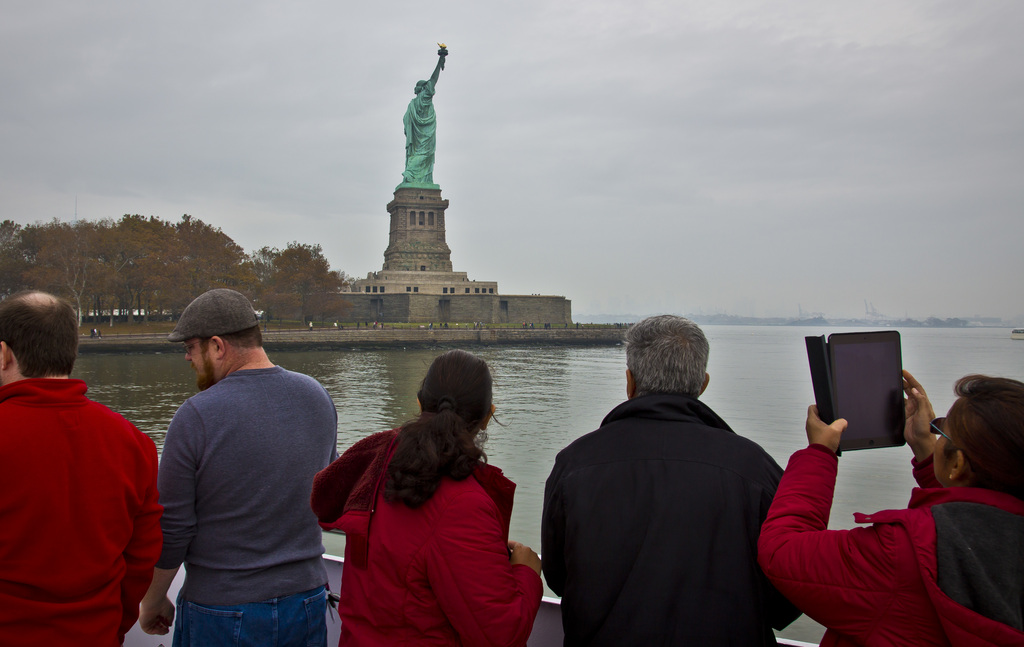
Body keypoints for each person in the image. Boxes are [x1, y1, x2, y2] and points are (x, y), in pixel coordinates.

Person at [541, 315, 799, 646]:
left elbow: (560, 577)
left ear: (630, 382)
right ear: (702, 384)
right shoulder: (756, 469)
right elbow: (788, 593)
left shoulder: (574, 464)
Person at [758, 371, 1024, 646]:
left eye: (942, 430)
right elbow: (974, 522)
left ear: (957, 464)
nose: (936, 433)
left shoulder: (904, 553)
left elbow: (781, 551)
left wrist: (819, 452)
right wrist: (924, 446)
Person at [138, 288, 339, 646]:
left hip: (222, 610)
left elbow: (174, 527)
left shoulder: (195, 415)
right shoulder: (317, 396)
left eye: (189, 348)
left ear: (217, 346)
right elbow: (328, 494)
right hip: (307, 600)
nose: (187, 358)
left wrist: (152, 599)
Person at [311, 349, 543, 646]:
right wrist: (526, 571)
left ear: (420, 402)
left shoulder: (374, 466)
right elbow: (500, 635)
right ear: (488, 417)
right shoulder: (462, 504)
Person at [0, 291, 162, 645]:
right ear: (71, 351)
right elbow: (143, 552)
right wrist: (113, 622)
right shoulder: (133, 441)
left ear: (3, 354)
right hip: (97, 632)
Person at [401, 46, 447, 185]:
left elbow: (433, 79)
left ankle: (414, 176)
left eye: (416, 86)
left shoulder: (424, 97)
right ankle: (411, 174)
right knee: (422, 154)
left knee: (422, 155)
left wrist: (440, 60)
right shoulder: (415, 103)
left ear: (421, 88)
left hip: (424, 134)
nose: (414, 88)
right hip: (421, 135)